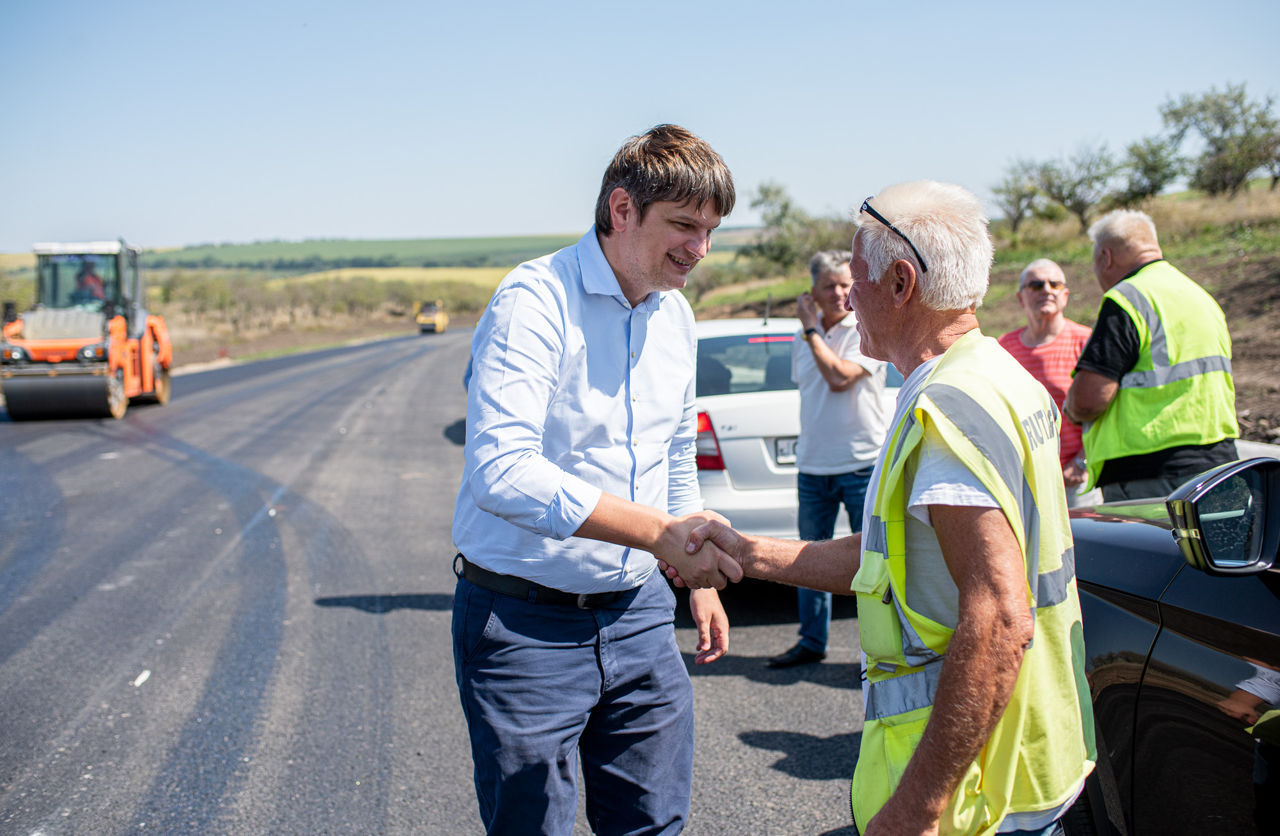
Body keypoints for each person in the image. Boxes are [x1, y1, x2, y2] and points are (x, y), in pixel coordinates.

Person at [677, 181, 1095, 835]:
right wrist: (749, 551)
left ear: (901, 283)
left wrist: (915, 809)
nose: (850, 294)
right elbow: (889, 563)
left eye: (858, 275)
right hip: (1025, 758)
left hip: (975, 794)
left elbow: (997, 619)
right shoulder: (996, 374)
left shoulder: (947, 404)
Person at [452, 124, 742, 835]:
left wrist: (694, 577)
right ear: (621, 210)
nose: (698, 250)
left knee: (653, 823)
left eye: (710, 231)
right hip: (524, 624)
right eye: (683, 225)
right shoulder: (535, 301)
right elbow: (502, 471)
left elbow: (674, 453)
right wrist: (661, 536)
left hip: (639, 612)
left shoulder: (676, 317)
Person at [768, 249, 891, 669]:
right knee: (807, 562)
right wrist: (809, 332)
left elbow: (838, 377)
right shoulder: (804, 339)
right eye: (829, 286)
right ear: (812, 293)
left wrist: (810, 331)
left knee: (873, 562)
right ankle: (811, 641)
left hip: (861, 465)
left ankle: (881, 646)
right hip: (813, 467)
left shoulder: (863, 333)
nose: (839, 293)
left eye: (845, 285)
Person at [1064, 209, 1238, 501]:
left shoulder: (1127, 299)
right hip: (1218, 468)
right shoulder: (1201, 297)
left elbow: (1089, 400)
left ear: (1105, 258)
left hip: (1149, 476)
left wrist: (1071, 408)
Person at [997, 259, 1101, 506]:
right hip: (1025, 479)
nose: (1046, 290)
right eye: (1035, 285)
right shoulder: (1004, 347)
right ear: (1021, 297)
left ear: (1065, 295)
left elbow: (1105, 410)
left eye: (1054, 284)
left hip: (1076, 480)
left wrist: (1082, 462)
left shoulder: (1086, 341)